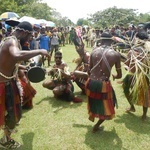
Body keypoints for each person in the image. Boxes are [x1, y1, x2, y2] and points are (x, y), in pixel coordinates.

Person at [0, 21, 49, 149]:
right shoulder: (12, 42)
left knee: (11, 114)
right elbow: (16, 55)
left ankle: (6, 138)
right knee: (12, 115)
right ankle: (5, 140)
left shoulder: (7, 39)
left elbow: (7, 60)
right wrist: (39, 50)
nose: (29, 40)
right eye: (29, 37)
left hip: (7, 82)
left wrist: (24, 67)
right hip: (4, 85)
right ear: (23, 32)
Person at [85, 32, 122, 132]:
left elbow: (89, 70)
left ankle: (94, 119)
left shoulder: (94, 51)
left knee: (95, 102)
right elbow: (120, 75)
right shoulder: (116, 54)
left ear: (100, 40)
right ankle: (96, 126)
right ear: (111, 41)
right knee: (111, 104)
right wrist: (114, 75)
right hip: (103, 85)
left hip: (91, 83)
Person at [122, 30, 150, 121]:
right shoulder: (147, 51)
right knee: (145, 94)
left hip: (133, 75)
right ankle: (144, 115)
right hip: (145, 76)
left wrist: (126, 66)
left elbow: (127, 65)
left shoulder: (133, 51)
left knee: (126, 90)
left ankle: (132, 107)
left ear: (137, 39)